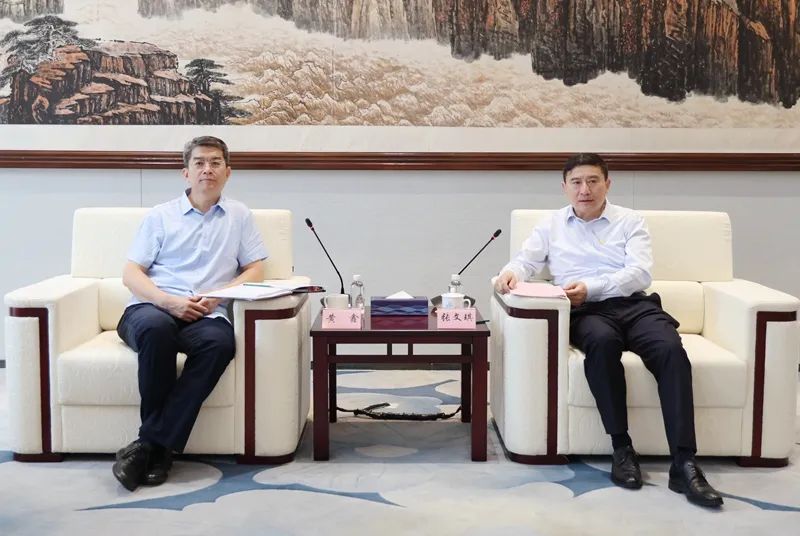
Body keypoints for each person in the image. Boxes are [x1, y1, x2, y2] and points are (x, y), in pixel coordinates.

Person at [494, 153, 723, 508]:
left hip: (633, 305)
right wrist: (511, 272)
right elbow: (527, 260)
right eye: (576, 182)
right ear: (565, 187)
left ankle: (684, 462)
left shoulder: (629, 221)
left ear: (607, 184)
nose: (584, 190)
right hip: (586, 312)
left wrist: (592, 287)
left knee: (670, 351)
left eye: (592, 181)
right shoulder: (551, 225)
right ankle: (622, 448)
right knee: (601, 344)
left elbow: (640, 273)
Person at [112, 136, 267, 491]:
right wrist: (168, 302)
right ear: (186, 173)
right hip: (152, 308)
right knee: (157, 330)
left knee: (219, 344)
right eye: (199, 163)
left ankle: (150, 447)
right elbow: (131, 273)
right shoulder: (160, 216)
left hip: (205, 313)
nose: (207, 169)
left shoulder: (240, 216)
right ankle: (160, 449)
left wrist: (218, 296)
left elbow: (256, 269)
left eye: (215, 162)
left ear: (228, 172)